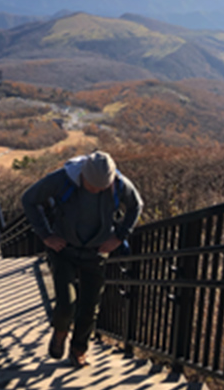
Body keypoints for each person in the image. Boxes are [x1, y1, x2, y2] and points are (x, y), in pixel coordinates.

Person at [22, 151, 142, 368]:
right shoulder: (62, 179)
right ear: (82, 176)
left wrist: (119, 236)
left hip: (96, 251)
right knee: (66, 303)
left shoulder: (119, 184)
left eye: (101, 187)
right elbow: (29, 199)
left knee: (90, 306)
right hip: (63, 248)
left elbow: (136, 206)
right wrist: (46, 235)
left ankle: (79, 350)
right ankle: (60, 332)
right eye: (91, 185)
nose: (96, 190)